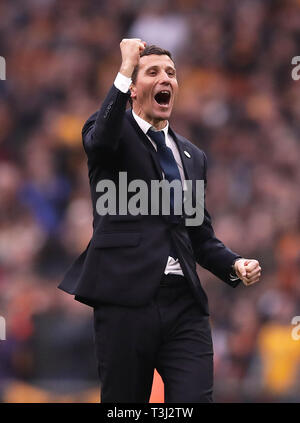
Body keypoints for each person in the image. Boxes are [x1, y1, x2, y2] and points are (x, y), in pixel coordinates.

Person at [58, 38, 261, 403]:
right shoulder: (112, 131)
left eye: (171, 72)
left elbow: (198, 235)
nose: (165, 78)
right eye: (152, 72)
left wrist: (233, 263)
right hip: (124, 298)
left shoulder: (192, 156)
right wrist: (124, 68)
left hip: (184, 303)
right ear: (133, 89)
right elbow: (99, 143)